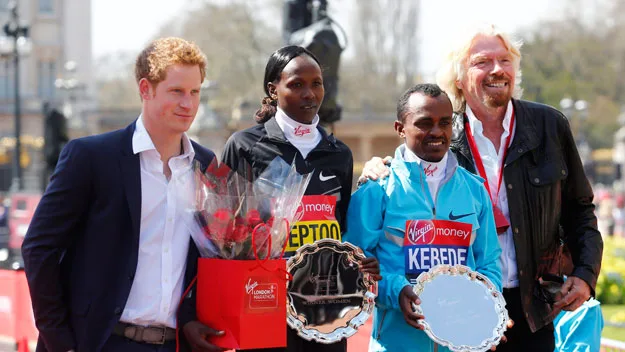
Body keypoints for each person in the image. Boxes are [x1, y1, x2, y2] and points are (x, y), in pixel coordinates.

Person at [359, 25, 603, 351]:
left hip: (533, 304)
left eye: (505, 60)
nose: (497, 70)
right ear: (458, 77)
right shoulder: (443, 131)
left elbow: (580, 209)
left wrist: (586, 274)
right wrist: (377, 168)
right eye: (482, 62)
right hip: (460, 306)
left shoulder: (550, 126)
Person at [22, 37, 225, 352]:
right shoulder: (90, 157)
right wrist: (60, 341)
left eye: (194, 92)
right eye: (176, 91)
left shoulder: (206, 165)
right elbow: (39, 249)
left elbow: (203, 259)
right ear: (145, 89)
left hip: (176, 345)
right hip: (100, 342)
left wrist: (191, 320)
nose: (188, 104)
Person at [220, 45, 381, 352]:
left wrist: (358, 262)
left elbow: (341, 230)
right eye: (296, 84)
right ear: (273, 89)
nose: (309, 93)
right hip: (264, 301)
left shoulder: (339, 154)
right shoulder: (244, 145)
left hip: (327, 306)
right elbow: (225, 230)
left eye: (316, 83)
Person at [343, 83, 502, 351]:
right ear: (400, 129)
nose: (437, 132)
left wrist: (485, 303)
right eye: (425, 123)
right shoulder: (376, 190)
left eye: (445, 122)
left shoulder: (475, 189)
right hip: (396, 342)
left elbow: (489, 262)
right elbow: (352, 265)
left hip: (462, 343)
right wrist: (395, 291)